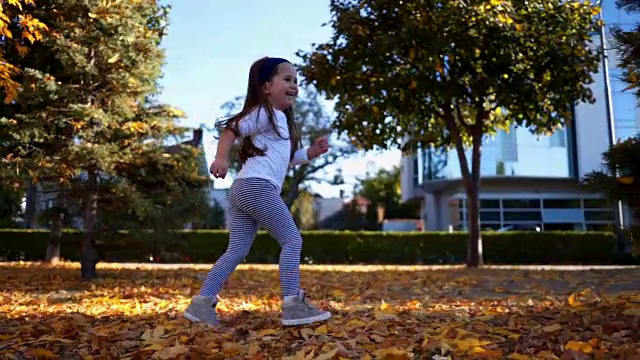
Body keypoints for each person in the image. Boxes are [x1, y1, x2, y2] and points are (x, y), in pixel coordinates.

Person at [183, 56, 332, 327]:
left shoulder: (278, 120)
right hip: (257, 187)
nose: (294, 85)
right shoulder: (264, 112)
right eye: (287, 79)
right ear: (265, 87)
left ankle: (201, 304)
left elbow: (286, 158)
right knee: (292, 240)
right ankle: (292, 304)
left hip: (243, 189)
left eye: (296, 81)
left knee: (237, 250)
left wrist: (311, 152)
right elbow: (231, 130)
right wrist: (221, 159)